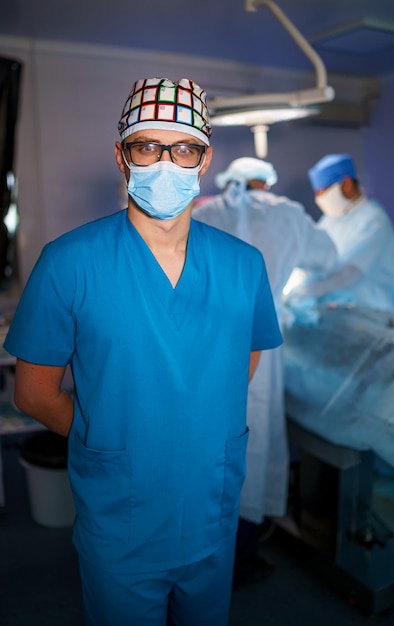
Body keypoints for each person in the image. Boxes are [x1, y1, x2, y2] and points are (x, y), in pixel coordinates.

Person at [3, 78, 282, 626]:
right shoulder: (69, 262)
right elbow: (35, 396)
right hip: (121, 516)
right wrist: (111, 434)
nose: (165, 164)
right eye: (147, 146)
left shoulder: (244, 264)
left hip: (210, 504)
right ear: (121, 155)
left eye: (183, 149)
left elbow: (240, 367)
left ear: (205, 160)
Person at [193, 156, 338, 585]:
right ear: (266, 181)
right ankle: (242, 555)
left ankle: (202, 555)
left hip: (205, 343)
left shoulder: (206, 212)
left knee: (206, 445)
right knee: (251, 449)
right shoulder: (289, 214)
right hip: (261, 342)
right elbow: (327, 257)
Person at [287, 153, 394, 311]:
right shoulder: (330, 220)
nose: (319, 198)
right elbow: (314, 259)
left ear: (346, 184)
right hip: (338, 313)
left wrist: (306, 291)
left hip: (373, 317)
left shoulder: (373, 221)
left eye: (323, 191)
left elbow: (349, 273)